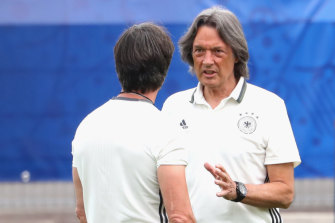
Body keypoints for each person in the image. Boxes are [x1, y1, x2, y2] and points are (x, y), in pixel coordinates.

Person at [162, 6, 301, 222]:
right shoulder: (174, 106)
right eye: (199, 51)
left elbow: (285, 193)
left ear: (237, 54)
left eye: (217, 51)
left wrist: (239, 191)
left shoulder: (269, 106)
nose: (207, 60)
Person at [72, 22, 196, 223]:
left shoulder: (86, 126)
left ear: (119, 67)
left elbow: (81, 211)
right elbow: (180, 217)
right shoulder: (165, 129)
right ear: (164, 71)